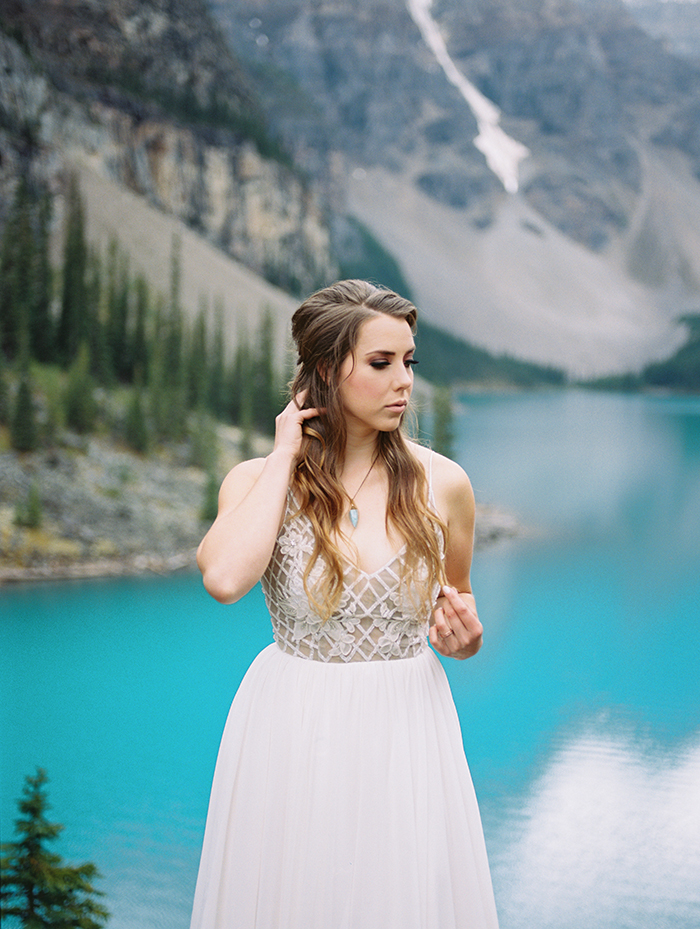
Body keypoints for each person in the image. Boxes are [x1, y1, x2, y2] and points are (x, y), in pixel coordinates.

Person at [190, 280, 500, 928]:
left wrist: (464, 637)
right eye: (382, 363)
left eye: (409, 361)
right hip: (292, 723)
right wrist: (284, 456)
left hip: (408, 725)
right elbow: (222, 577)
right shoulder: (255, 480)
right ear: (327, 371)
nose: (404, 382)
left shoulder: (445, 483)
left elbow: (458, 601)